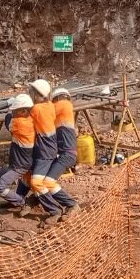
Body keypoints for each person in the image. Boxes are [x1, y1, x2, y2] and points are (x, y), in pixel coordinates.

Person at [26, 79, 72, 225]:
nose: (30, 94)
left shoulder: (37, 109)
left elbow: (24, 121)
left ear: (38, 94)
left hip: (47, 151)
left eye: (32, 92)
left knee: (37, 182)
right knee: (31, 176)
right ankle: (30, 201)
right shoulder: (50, 106)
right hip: (50, 149)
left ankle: (55, 209)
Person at [0, 94, 34, 212]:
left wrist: (8, 108)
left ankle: (22, 202)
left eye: (15, 110)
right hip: (17, 162)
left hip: (20, 165)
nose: (14, 112)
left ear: (24, 111)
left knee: (0, 187)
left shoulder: (19, 123)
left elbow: (8, 120)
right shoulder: (30, 119)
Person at [47, 88, 79, 216]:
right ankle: (39, 198)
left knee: (48, 181)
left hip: (67, 155)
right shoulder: (61, 115)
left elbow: (46, 113)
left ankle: (71, 204)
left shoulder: (65, 105)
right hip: (64, 154)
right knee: (42, 177)